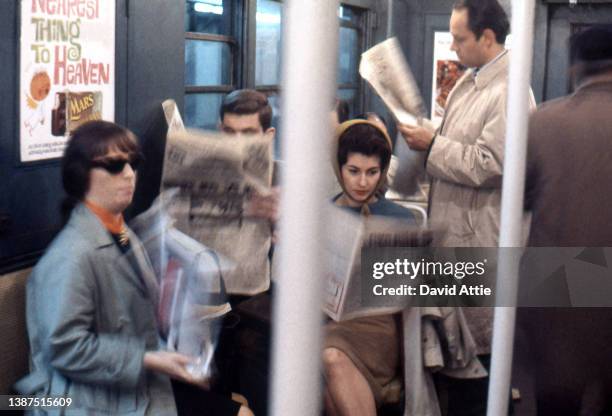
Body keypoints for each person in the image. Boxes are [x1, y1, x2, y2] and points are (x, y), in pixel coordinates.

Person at [15, 120, 251, 416]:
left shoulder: (123, 232)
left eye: (133, 163)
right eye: (114, 165)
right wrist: (149, 360)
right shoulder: (71, 255)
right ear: (81, 175)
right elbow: (65, 349)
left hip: (128, 383)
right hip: (85, 398)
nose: (128, 174)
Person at [397, 0, 534, 413]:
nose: (453, 47)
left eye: (460, 39)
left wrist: (433, 145)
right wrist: (427, 136)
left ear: (487, 39)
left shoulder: (510, 89)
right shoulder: (469, 81)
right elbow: (460, 142)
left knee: (480, 366)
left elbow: (493, 164)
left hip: (480, 243)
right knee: (455, 364)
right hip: (454, 239)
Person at [520, 25, 612, 415]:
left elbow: (519, 199)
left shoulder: (544, 122)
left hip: (557, 282)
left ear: (576, 68)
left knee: (556, 402)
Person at [323, 119, 415, 416]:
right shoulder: (321, 212)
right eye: (354, 171)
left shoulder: (400, 217)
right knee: (329, 376)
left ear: (383, 171)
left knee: (332, 359)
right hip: (328, 320)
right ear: (339, 169)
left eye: (372, 172)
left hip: (378, 327)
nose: (363, 182)